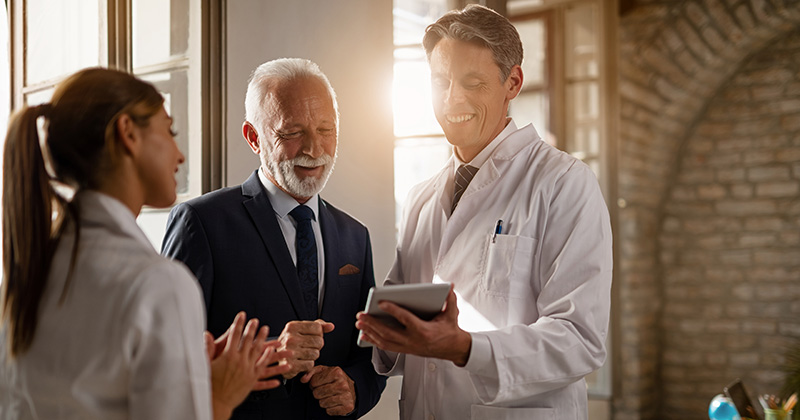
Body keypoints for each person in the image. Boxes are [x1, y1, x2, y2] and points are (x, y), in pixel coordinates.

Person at [355, 5, 613, 420]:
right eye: (440, 82)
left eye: (473, 83)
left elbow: (580, 339)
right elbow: (401, 336)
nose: (452, 99)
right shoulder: (423, 198)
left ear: (513, 82)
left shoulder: (564, 183)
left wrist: (465, 348)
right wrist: (370, 331)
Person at [0, 68, 292, 420]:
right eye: (169, 131)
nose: (179, 155)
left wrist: (186, 371)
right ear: (127, 133)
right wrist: (220, 398)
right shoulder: (158, 285)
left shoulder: (21, 279)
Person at [161, 58, 386, 419]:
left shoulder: (354, 235)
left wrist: (354, 387)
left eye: (326, 129)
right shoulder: (201, 223)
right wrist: (271, 354)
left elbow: (370, 354)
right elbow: (165, 357)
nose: (315, 149)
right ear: (254, 138)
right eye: (292, 132)